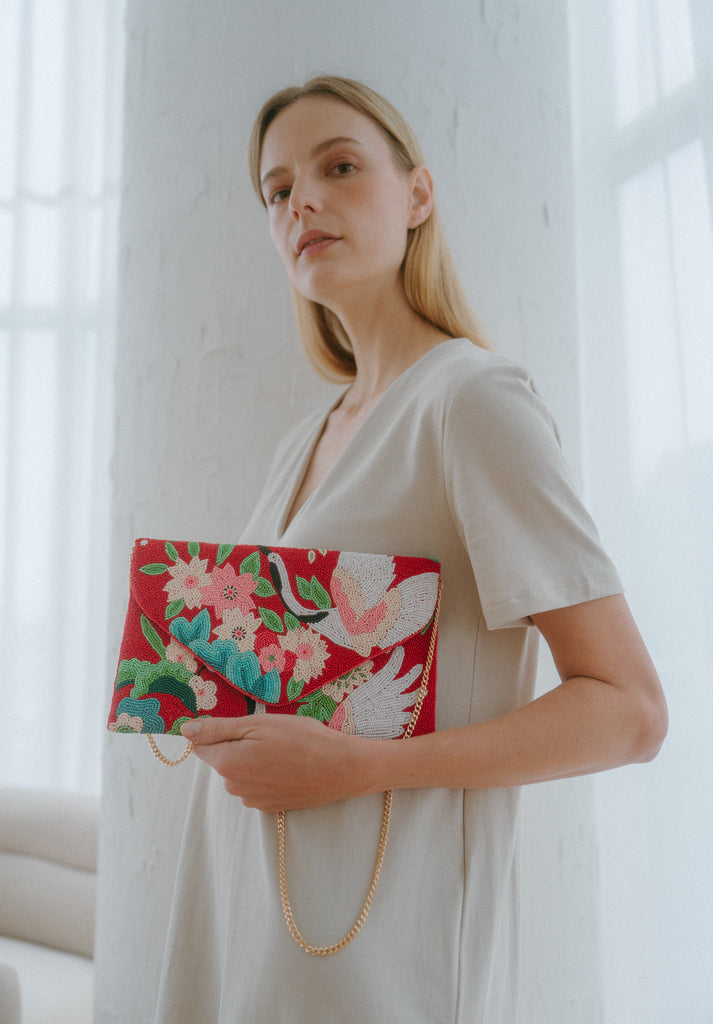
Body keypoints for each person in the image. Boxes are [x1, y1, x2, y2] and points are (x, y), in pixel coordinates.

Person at [154, 76, 667, 1023]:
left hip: (376, 949)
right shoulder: (302, 443)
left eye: (337, 167)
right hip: (248, 922)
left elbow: (630, 711)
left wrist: (362, 766)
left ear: (416, 195)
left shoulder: (470, 402)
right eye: (276, 190)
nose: (300, 201)